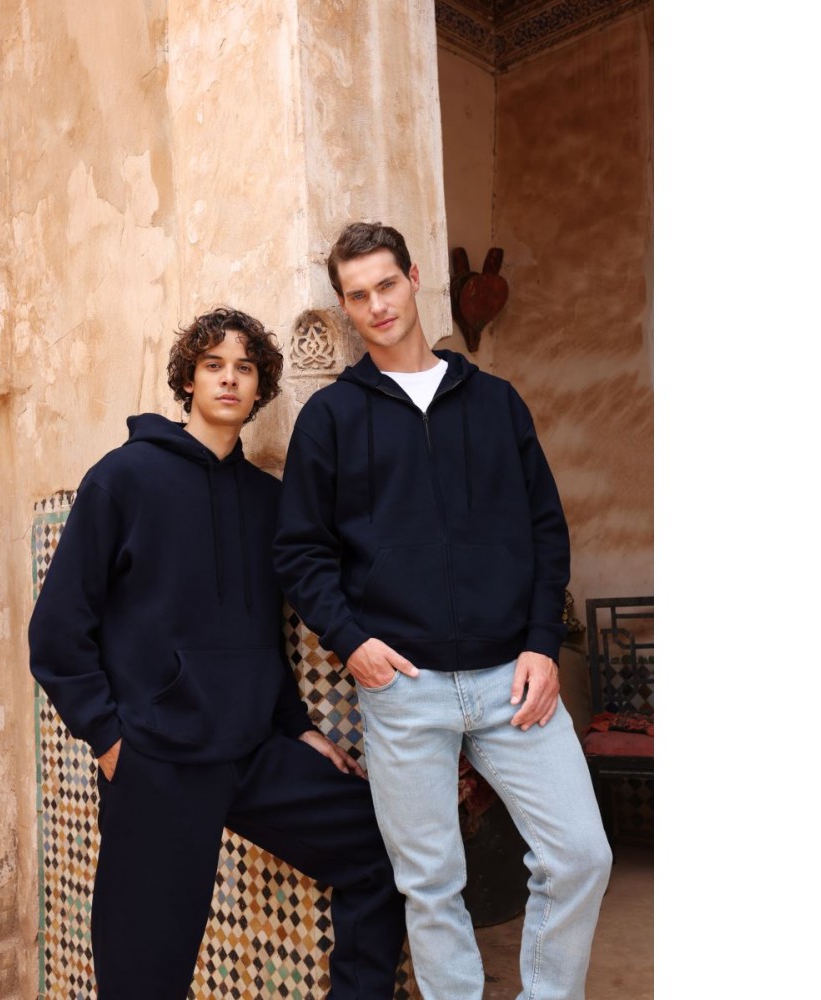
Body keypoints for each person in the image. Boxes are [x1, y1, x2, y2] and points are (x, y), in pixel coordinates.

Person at [273, 223, 612, 1000]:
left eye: (386, 284)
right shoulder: (331, 418)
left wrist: (541, 644)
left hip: (513, 680)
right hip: (404, 688)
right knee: (430, 886)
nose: (377, 305)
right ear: (346, 306)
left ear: (414, 278)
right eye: (358, 294)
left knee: (580, 855)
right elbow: (300, 551)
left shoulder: (494, 402)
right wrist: (353, 642)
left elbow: (545, 530)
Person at [29, 307, 406, 1000]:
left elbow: (262, 632)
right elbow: (56, 632)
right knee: (143, 973)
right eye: (213, 366)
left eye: (244, 367)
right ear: (189, 380)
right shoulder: (123, 478)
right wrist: (111, 742)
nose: (229, 379)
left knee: (383, 847)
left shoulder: (268, 501)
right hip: (157, 762)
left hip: (254, 754)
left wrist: (298, 728)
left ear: (260, 387)